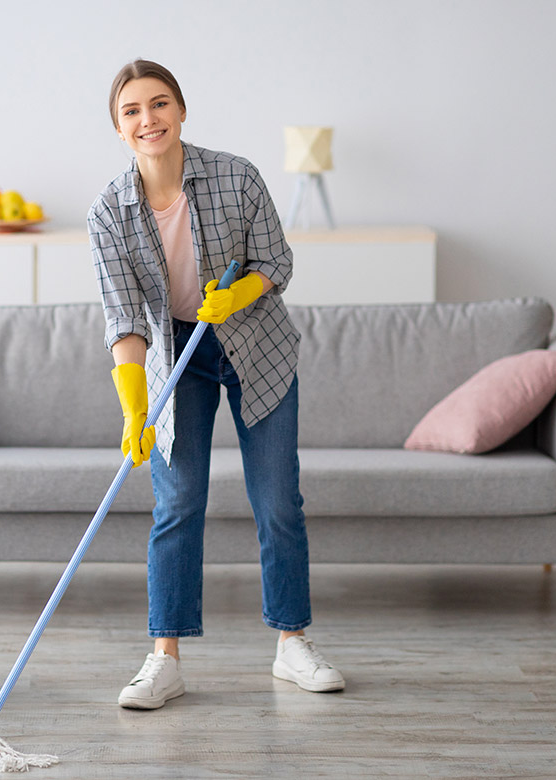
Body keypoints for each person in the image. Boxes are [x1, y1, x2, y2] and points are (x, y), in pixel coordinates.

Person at [87, 59, 345, 710]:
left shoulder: (236, 176)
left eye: (160, 103)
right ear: (118, 129)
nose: (149, 119)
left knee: (278, 502)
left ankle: (293, 645)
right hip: (176, 356)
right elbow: (123, 315)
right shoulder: (109, 212)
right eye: (133, 111)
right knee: (177, 506)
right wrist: (133, 404)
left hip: (255, 344)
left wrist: (237, 297)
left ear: (180, 110)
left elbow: (277, 263)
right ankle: (164, 658)